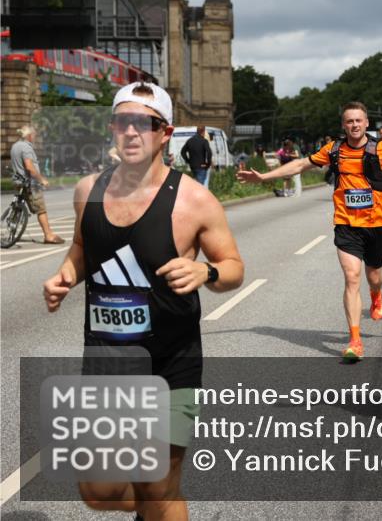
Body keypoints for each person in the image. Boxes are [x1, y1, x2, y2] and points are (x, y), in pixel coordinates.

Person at [43, 81, 245, 521]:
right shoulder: (87, 192)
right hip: (107, 362)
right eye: (123, 122)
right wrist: (65, 276)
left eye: (145, 123)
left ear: (164, 133)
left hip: (171, 363)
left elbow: (233, 267)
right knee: (97, 490)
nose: (132, 132)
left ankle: (163, 501)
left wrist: (205, 271)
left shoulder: (194, 200)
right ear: (113, 128)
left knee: (157, 483)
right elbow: (81, 249)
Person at [238, 102, 382, 361]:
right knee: (351, 277)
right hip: (346, 222)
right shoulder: (334, 149)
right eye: (349, 121)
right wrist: (264, 178)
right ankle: (355, 341)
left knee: (374, 277)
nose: (354, 125)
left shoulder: (381, 147)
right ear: (343, 125)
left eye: (359, 120)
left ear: (367, 123)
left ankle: (376, 294)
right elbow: (300, 165)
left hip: (376, 223)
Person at [10, 125, 65, 244]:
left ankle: (11, 228)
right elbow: (29, 167)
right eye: (34, 135)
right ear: (29, 136)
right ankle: (48, 235)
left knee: (18, 205)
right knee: (41, 209)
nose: (35, 137)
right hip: (30, 184)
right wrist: (42, 180)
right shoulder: (26, 148)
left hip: (18, 182)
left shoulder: (15, 146)